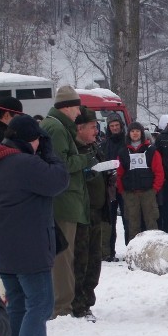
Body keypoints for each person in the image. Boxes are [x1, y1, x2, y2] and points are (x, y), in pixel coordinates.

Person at [0, 115, 70, 336]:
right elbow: (59, 181)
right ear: (32, 139)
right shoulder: (24, 163)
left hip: (5, 249)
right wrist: (50, 155)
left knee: (17, 305)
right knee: (40, 304)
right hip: (29, 247)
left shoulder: (3, 157)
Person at [40, 86, 95, 318]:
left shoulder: (55, 125)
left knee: (64, 254)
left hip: (66, 199)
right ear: (68, 107)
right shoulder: (57, 128)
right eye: (77, 108)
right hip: (65, 202)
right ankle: (62, 305)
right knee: (64, 255)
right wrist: (86, 159)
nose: (78, 114)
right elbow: (61, 164)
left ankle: (62, 303)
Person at [71, 107, 109, 320]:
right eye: (93, 127)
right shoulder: (74, 150)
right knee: (81, 260)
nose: (97, 131)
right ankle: (78, 304)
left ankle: (88, 299)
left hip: (98, 209)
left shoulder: (94, 146)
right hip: (82, 212)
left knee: (95, 259)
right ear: (80, 128)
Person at [116, 122, 164, 241]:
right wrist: (122, 191)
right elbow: (119, 173)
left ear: (142, 133)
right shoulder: (123, 152)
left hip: (148, 192)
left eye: (137, 131)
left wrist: (155, 189)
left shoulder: (151, 150)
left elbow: (159, 171)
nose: (135, 133)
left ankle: (154, 248)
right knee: (133, 224)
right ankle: (134, 250)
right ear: (129, 134)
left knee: (151, 222)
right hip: (130, 193)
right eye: (132, 131)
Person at [101, 113, 126, 262]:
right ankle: (109, 251)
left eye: (117, 125)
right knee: (109, 220)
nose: (115, 128)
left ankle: (131, 250)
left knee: (128, 220)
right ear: (109, 128)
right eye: (112, 126)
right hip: (109, 186)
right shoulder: (104, 144)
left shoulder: (127, 142)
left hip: (125, 185)